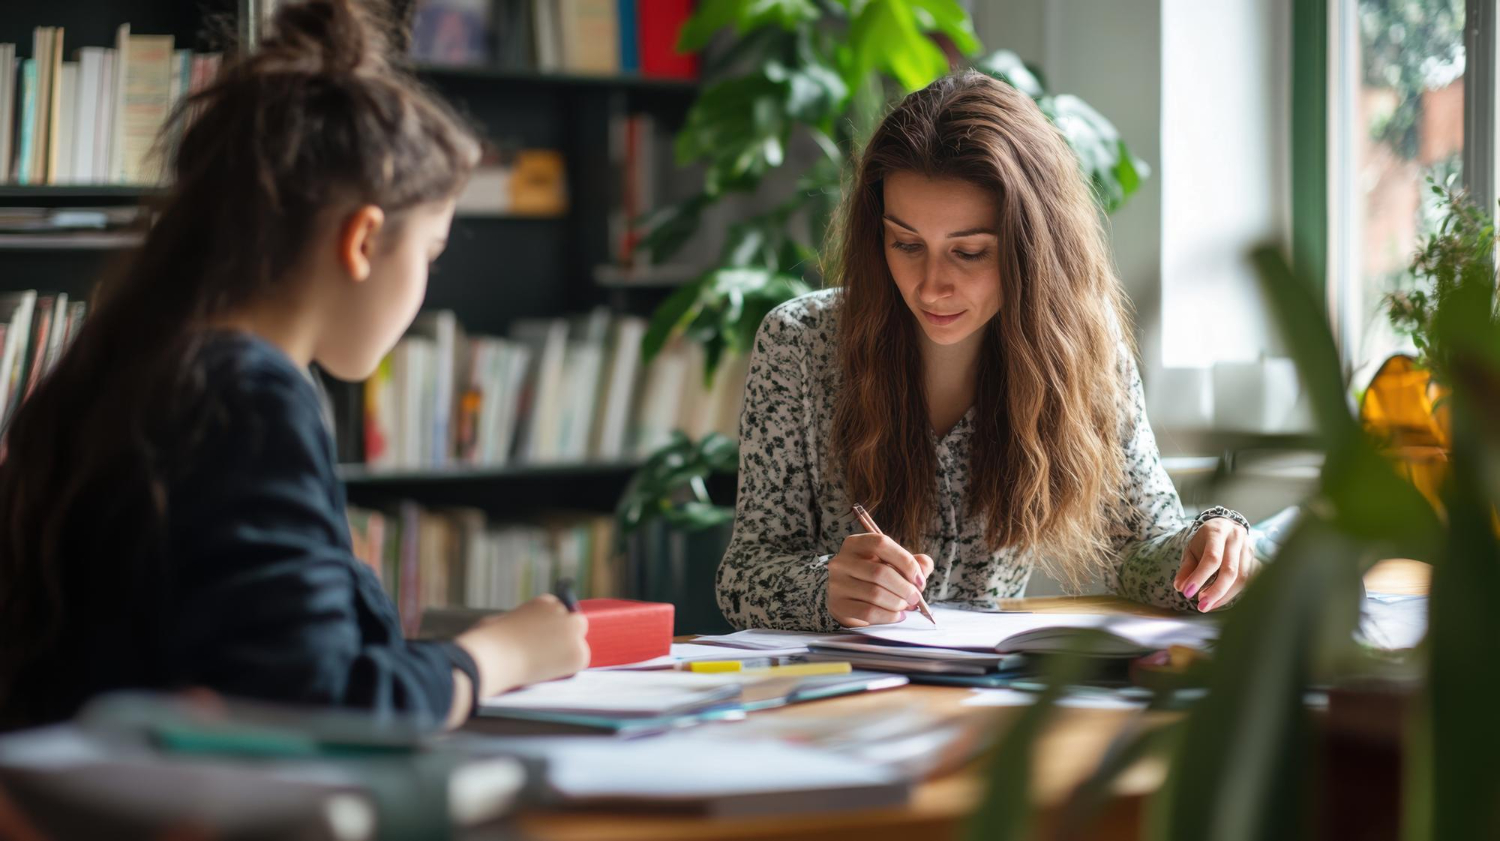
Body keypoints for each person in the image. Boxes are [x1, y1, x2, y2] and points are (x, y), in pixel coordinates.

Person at [0, 0, 588, 731]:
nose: (427, 280)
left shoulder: (124, 366)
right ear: (364, 241)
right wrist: (498, 655)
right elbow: (317, 704)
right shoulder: (246, 396)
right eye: (430, 253)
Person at [717, 70, 1265, 632]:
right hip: (830, 692)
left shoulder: (1080, 347)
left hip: (988, 689)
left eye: (970, 253)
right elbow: (745, 577)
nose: (932, 286)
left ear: (1033, 250)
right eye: (906, 244)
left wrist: (1213, 547)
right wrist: (826, 587)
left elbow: (1142, 547)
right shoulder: (799, 344)